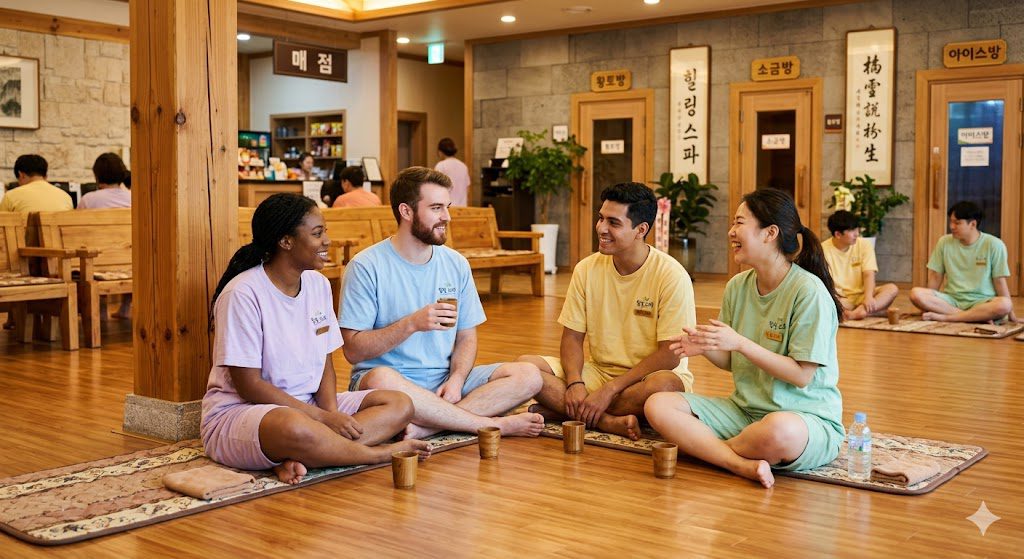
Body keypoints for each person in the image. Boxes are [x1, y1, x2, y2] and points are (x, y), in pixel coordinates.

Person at [201, 193, 430, 485]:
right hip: (244, 413)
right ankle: (375, 454)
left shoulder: (318, 284)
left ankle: (311, 452)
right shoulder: (242, 294)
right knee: (293, 426)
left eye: (325, 232)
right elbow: (249, 385)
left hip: (309, 407)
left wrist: (332, 414)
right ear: (286, 241)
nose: (327, 241)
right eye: (317, 233)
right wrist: (321, 420)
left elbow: (326, 362)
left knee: (399, 405)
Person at [645, 189, 845, 488]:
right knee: (658, 405)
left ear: (770, 233)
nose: (731, 232)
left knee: (778, 431)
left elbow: (801, 375)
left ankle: (712, 451)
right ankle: (739, 462)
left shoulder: (808, 292)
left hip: (804, 419)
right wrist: (706, 347)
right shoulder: (738, 286)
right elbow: (732, 362)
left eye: (739, 223)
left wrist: (739, 342)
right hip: (743, 412)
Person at [340, 166, 544, 439]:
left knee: (529, 375)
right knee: (380, 377)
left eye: (447, 207)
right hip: (390, 384)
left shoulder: (455, 263)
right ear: (406, 211)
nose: (446, 217)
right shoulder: (365, 266)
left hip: (443, 381)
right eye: (436, 208)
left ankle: (427, 426)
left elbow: (466, 335)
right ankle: (485, 424)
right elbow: (353, 351)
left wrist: (457, 379)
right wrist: (411, 324)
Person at [517, 182, 696, 441]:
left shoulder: (671, 275)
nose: (601, 228)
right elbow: (572, 338)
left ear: (641, 230)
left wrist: (611, 389)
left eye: (613, 223)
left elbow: (670, 354)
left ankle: (569, 411)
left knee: (666, 385)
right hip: (598, 373)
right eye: (600, 218)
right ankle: (605, 421)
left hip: (646, 379)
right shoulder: (586, 269)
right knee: (526, 366)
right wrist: (576, 382)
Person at [909, 201, 1017, 323]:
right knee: (915, 293)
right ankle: (976, 318)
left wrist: (1011, 314)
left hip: (982, 302)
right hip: (952, 301)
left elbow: (999, 281)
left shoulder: (994, 245)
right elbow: (935, 277)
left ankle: (947, 317)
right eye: (951, 221)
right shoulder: (944, 242)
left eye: (957, 223)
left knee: (1005, 304)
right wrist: (925, 305)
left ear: (973, 224)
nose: (952, 226)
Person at [80, 153, 133, 318]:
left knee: (94, 250)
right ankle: (125, 307)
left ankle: (101, 309)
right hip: (131, 259)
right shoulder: (133, 197)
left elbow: (79, 234)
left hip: (98, 261)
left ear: (97, 175)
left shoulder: (89, 200)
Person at [822, 210, 898, 320]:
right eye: (851, 230)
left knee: (892, 289)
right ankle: (871, 311)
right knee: (830, 302)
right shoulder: (823, 250)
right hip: (842, 298)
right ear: (838, 234)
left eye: (856, 228)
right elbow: (825, 283)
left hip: (862, 295)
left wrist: (868, 297)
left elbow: (869, 274)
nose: (856, 234)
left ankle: (857, 313)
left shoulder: (864, 245)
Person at [0, 154, 73, 212]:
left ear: (21, 175)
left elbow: (2, 226)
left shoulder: (11, 196)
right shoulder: (66, 197)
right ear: (45, 176)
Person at [434, 138, 470, 207]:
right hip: (462, 208)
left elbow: (436, 188)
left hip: (447, 208)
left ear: (440, 152)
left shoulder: (441, 165)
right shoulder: (463, 166)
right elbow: (467, 189)